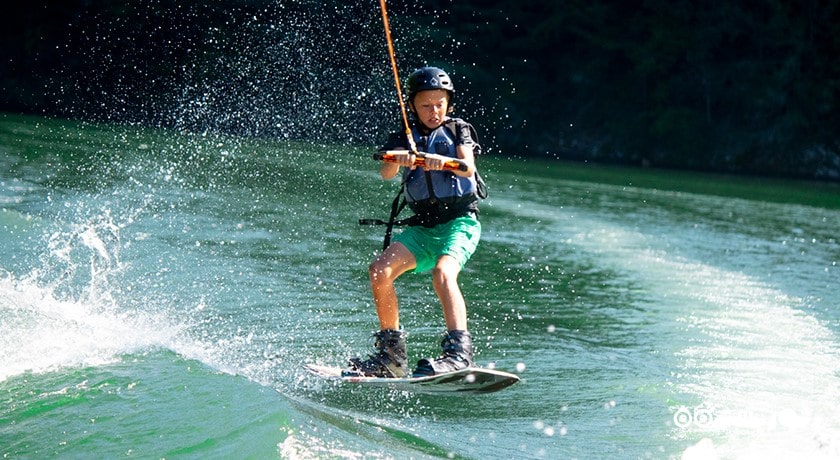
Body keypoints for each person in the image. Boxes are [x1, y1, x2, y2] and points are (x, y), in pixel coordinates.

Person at [344, 66, 483, 378]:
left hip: (460, 222)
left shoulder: (458, 129)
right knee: (379, 270)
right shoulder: (405, 134)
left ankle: (459, 354)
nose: (433, 111)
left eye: (439, 104)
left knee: (443, 272)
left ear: (449, 104)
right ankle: (391, 358)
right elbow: (386, 173)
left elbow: (467, 169)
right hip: (422, 228)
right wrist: (400, 158)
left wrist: (443, 162)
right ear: (412, 106)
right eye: (425, 105)